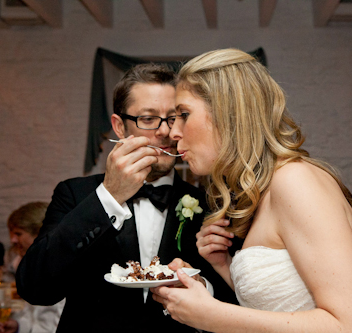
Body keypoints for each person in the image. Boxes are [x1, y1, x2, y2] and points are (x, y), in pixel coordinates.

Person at [151, 48, 352, 332]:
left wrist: (212, 315)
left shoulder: (296, 180)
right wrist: (224, 264)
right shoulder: (268, 190)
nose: (172, 133)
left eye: (183, 114)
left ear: (228, 113)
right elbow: (284, 307)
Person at [15, 63, 238, 332]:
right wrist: (109, 197)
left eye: (173, 117)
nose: (165, 131)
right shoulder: (75, 194)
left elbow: (240, 304)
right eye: (147, 119)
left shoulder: (212, 203)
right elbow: (36, 288)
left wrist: (204, 289)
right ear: (120, 127)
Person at [0, 201, 65, 333]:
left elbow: (51, 327)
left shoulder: (56, 268)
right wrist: (18, 326)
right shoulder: (35, 263)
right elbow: (32, 314)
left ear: (39, 233)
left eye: (18, 234)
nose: (13, 240)